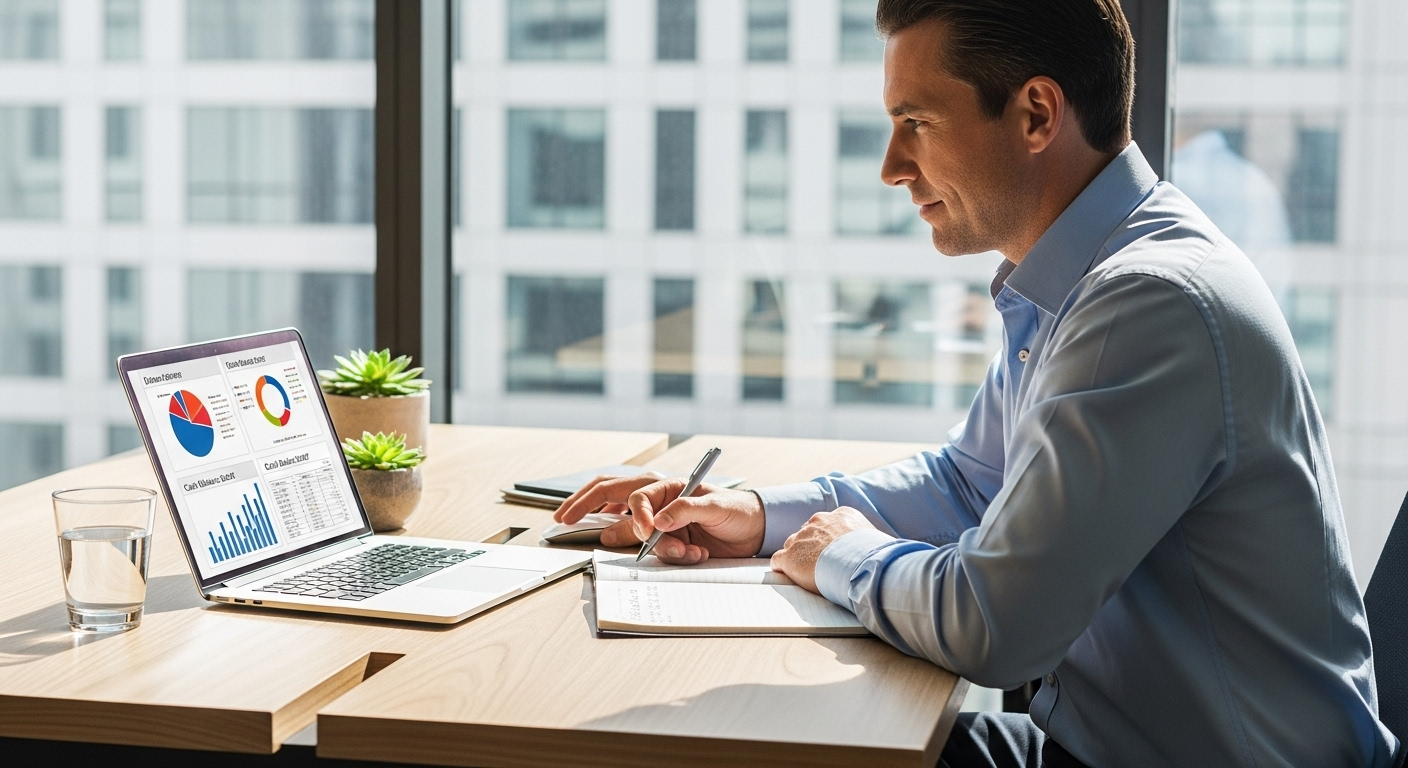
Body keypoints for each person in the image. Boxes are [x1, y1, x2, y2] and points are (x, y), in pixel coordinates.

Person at [554, 1, 1403, 766]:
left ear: (1036, 114)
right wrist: (757, 514)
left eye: (916, 122)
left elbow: (998, 628)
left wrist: (841, 552)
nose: (892, 166)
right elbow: (971, 483)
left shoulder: (1149, 304)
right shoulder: (1083, 277)